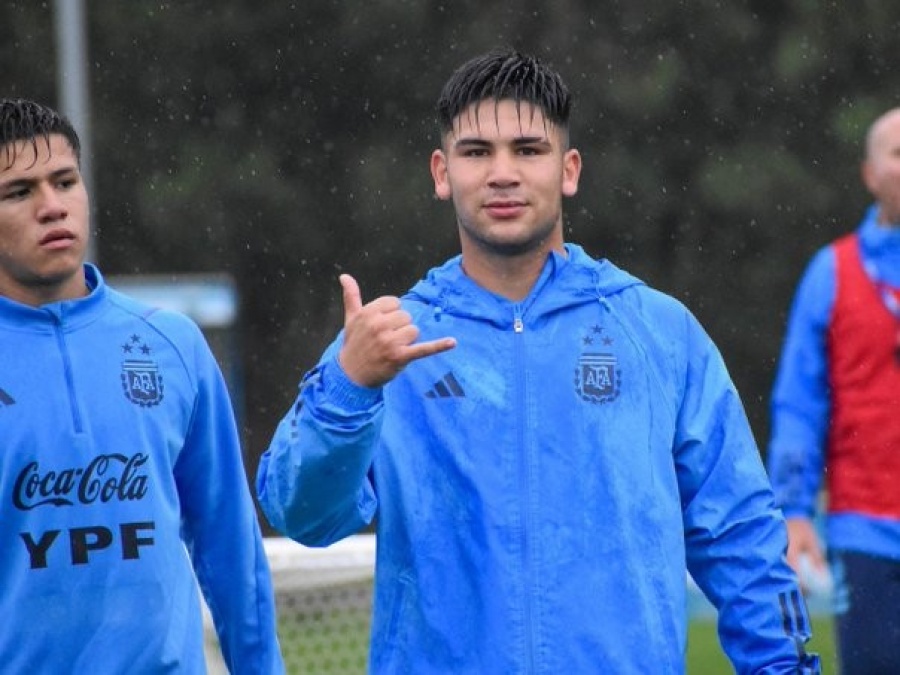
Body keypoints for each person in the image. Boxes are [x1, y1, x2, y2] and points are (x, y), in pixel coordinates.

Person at [256, 48, 820, 673]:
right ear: (442, 173)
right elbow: (299, 514)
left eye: (528, 149)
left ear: (568, 169)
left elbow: (741, 535)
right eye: (476, 152)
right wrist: (348, 387)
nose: (503, 173)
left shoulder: (657, 332)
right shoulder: (387, 344)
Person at [0, 98, 284, 674]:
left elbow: (232, 553)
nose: (52, 206)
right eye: (19, 191)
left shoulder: (172, 345)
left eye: (65, 181)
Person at [766, 107, 900, 674]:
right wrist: (795, 512)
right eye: (897, 153)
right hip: (865, 528)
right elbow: (800, 404)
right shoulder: (832, 272)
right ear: (869, 173)